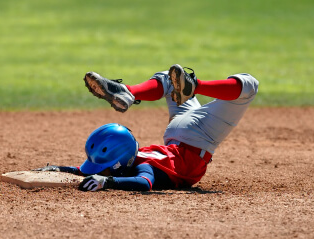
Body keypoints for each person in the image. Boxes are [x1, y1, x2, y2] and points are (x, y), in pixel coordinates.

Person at [35, 64, 259, 191]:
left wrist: (106, 181)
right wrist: (60, 169)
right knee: (169, 79)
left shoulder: (139, 165)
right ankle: (133, 91)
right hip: (180, 134)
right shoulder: (132, 160)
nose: (100, 171)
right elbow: (98, 170)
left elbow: (141, 182)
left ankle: (129, 92)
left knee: (248, 87)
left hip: (197, 137)